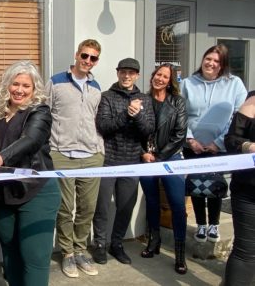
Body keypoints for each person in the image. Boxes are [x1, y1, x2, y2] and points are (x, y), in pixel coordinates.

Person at [0, 60, 60, 286]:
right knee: (10, 255)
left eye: (26, 86)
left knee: (34, 259)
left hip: (36, 192)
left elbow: (30, 140)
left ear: (34, 89)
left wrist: (0, 158)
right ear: (7, 85)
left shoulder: (40, 112)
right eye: (15, 84)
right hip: (1, 192)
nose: (19, 90)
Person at [45, 39, 104, 278]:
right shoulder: (56, 82)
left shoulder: (96, 86)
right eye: (85, 56)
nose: (88, 61)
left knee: (87, 209)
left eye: (93, 58)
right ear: (77, 54)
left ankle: (81, 249)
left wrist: (100, 149)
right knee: (65, 209)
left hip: (91, 156)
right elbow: (43, 114)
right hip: (62, 155)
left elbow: (98, 119)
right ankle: (67, 253)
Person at [180, 44, 247, 243]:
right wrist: (190, 138)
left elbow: (239, 116)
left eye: (216, 61)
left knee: (216, 184)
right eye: (208, 58)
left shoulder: (234, 84)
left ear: (222, 65)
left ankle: (214, 224)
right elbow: (180, 114)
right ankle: (201, 223)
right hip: (193, 146)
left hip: (220, 146)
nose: (211, 63)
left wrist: (218, 142)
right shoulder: (187, 83)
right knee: (197, 184)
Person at [92, 58, 155, 265]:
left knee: (125, 207)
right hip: (108, 160)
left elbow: (148, 130)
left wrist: (136, 117)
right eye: (123, 72)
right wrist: (127, 114)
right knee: (101, 207)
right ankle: (100, 244)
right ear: (117, 73)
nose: (127, 76)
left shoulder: (144, 99)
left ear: (137, 75)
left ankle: (116, 244)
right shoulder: (107, 97)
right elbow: (103, 126)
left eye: (131, 73)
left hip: (131, 162)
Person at [139, 64, 188, 274]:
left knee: (177, 205)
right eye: (158, 74)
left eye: (165, 76)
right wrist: (143, 152)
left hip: (171, 158)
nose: (160, 78)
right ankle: (153, 241)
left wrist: (160, 156)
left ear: (170, 81)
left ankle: (179, 254)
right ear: (152, 76)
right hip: (147, 159)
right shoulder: (142, 100)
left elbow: (180, 135)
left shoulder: (178, 102)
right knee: (151, 202)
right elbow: (135, 131)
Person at [223, 94, 255, 285]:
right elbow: (231, 140)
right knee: (246, 251)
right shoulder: (251, 104)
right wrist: (248, 146)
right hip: (248, 190)